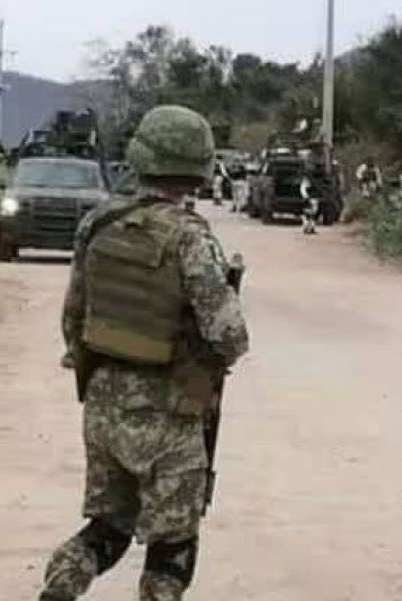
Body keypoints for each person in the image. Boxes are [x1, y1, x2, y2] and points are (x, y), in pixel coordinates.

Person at [40, 105, 249, 601]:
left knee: (106, 529)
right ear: (197, 166)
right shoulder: (190, 238)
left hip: (103, 404)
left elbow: (74, 318)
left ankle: (56, 592)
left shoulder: (99, 222)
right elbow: (229, 336)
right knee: (172, 548)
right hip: (169, 413)